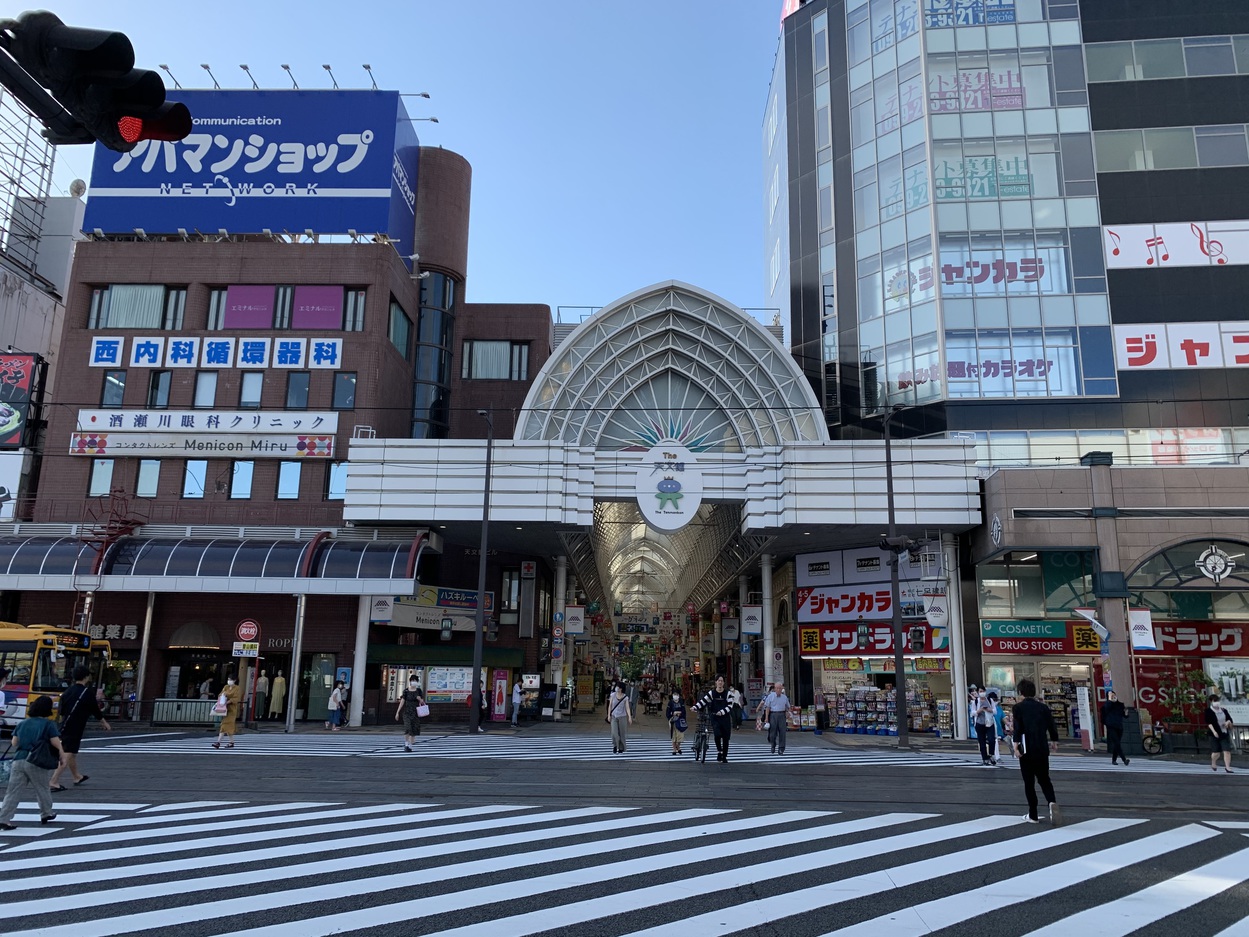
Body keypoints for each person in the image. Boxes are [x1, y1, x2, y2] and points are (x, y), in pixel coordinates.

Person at [0, 694, 64, 829]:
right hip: (36, 760)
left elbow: (14, 742)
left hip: (18, 759)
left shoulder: (23, 723)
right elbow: (55, 742)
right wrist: (62, 755)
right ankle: (46, 813)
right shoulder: (48, 724)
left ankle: (4, 818)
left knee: (13, 791)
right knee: (42, 788)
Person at [49, 665, 111, 791]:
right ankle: (53, 781)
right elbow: (95, 710)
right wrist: (104, 722)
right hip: (76, 727)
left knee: (71, 753)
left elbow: (61, 711)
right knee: (67, 753)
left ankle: (77, 776)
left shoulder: (67, 692)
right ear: (86, 677)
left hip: (65, 724)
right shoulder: (86, 693)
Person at [1011, 678, 1060, 825]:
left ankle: (1033, 815)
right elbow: (1052, 726)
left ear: (1021, 693)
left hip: (1026, 749)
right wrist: (1054, 741)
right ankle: (1052, 802)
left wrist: (1015, 746)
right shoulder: (1043, 708)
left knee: (1029, 783)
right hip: (1041, 748)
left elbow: (1018, 728)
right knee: (1045, 779)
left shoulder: (1018, 708)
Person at [693, 675, 735, 763]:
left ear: (723, 683)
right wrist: (695, 707)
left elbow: (730, 706)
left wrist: (722, 712)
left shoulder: (728, 694)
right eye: (718, 681)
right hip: (715, 717)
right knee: (717, 735)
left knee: (726, 738)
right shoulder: (712, 693)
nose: (720, 682)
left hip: (725, 718)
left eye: (722, 681)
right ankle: (719, 751)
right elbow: (703, 701)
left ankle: (724, 756)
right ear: (716, 682)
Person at [758, 681, 792, 755]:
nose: (779, 690)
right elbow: (767, 707)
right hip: (773, 714)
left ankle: (781, 748)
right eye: (777, 688)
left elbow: (788, 707)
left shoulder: (784, 697)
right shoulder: (771, 696)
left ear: (782, 689)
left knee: (782, 732)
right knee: (772, 733)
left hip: (782, 715)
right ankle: (773, 744)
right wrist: (766, 718)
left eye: (780, 688)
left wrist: (788, 712)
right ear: (775, 689)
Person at [1206, 694, 1235, 774]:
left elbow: (1230, 719)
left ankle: (1228, 767)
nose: (1217, 703)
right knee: (1216, 752)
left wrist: (1227, 722)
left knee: (1227, 751)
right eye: (1215, 701)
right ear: (1211, 702)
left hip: (1224, 732)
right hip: (1214, 734)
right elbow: (1209, 723)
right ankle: (1213, 762)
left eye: (1217, 701)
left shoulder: (1223, 710)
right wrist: (1214, 732)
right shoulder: (1208, 711)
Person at [395, 677, 426, 752]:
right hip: (407, 712)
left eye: (415, 681)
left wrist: (419, 699)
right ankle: (406, 744)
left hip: (416, 712)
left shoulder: (419, 691)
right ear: (410, 681)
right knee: (408, 728)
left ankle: (410, 746)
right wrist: (397, 712)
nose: (414, 682)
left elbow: (422, 702)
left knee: (414, 729)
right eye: (412, 681)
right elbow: (402, 701)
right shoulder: (406, 691)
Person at [211, 674, 241, 749]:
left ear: (234, 680)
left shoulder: (237, 688)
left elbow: (236, 698)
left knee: (225, 724)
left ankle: (218, 742)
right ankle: (231, 742)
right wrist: (222, 696)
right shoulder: (226, 687)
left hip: (232, 709)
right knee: (229, 726)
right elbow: (220, 695)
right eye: (228, 679)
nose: (229, 681)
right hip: (224, 708)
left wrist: (228, 701)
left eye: (230, 679)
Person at [1100, 690, 1129, 766]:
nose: (1113, 696)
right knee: (1116, 743)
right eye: (1110, 695)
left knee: (1117, 744)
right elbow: (1103, 715)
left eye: (1113, 694)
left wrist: (1126, 713)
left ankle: (1114, 760)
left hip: (1119, 726)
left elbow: (1124, 715)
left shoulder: (1120, 705)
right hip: (1111, 726)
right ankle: (1124, 759)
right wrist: (1110, 700)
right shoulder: (1106, 705)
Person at [606, 681, 633, 753]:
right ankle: (615, 745)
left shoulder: (625, 697)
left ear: (622, 688)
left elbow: (627, 708)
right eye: (617, 686)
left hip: (622, 717)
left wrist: (629, 717)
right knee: (614, 733)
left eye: (619, 687)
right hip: (614, 716)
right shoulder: (613, 695)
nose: (617, 688)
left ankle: (621, 748)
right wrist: (609, 715)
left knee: (622, 733)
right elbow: (610, 705)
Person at [973, 689, 997, 765]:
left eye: (983, 691)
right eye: (980, 691)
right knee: (982, 742)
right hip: (979, 723)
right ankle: (985, 758)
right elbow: (972, 712)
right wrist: (979, 710)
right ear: (978, 692)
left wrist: (989, 710)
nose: (982, 693)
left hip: (989, 723)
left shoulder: (990, 700)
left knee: (991, 739)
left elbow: (995, 711)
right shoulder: (976, 701)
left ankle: (991, 754)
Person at [666, 689, 688, 755]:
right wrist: (673, 713)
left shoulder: (681, 702)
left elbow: (684, 711)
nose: (675, 696)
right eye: (674, 694)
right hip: (673, 720)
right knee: (673, 735)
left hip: (680, 719)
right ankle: (674, 749)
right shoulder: (670, 703)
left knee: (680, 735)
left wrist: (680, 713)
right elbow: (667, 712)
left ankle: (678, 746)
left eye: (677, 694)